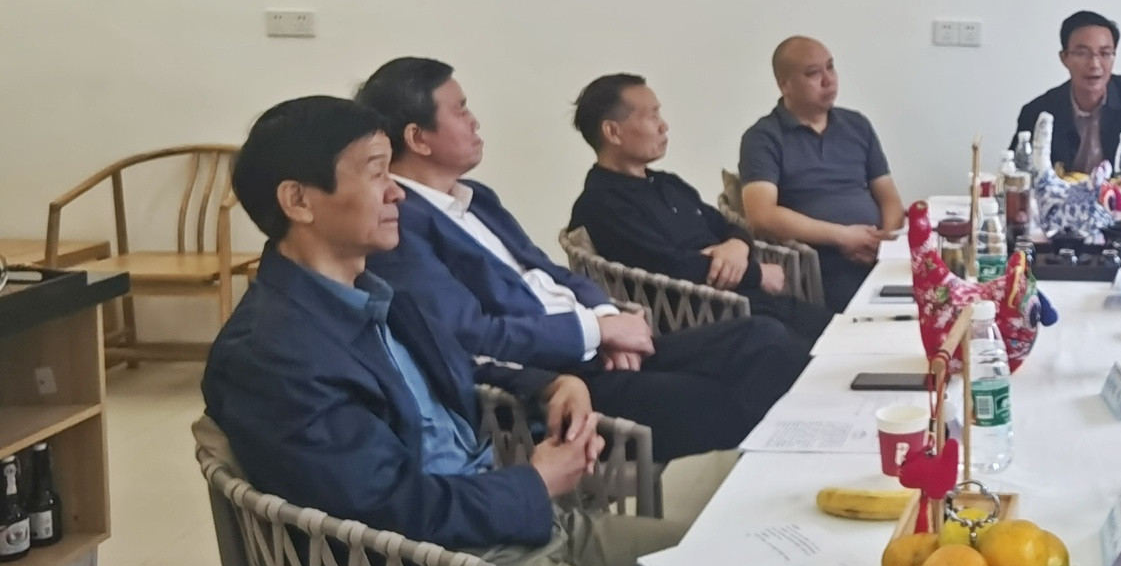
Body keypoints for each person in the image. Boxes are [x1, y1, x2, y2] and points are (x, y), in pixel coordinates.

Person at [204, 96, 686, 566]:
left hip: (507, 526)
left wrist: (551, 383)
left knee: (724, 563)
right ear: (299, 200)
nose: (397, 193)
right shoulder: (271, 354)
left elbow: (457, 363)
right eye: (376, 172)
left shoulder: (373, 296)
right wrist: (534, 482)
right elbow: (384, 507)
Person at [356, 57, 812, 464]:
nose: (475, 121)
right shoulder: (401, 227)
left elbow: (551, 272)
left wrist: (607, 318)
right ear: (418, 138)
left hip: (600, 347)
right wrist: (595, 331)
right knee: (719, 401)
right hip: (555, 382)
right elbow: (469, 333)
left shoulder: (477, 199)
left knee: (762, 338)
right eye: (460, 110)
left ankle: (821, 453)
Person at [567, 73, 832, 341]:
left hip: (747, 301)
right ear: (613, 132)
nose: (664, 126)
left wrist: (735, 246)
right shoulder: (601, 204)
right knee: (808, 341)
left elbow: (727, 226)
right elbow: (669, 267)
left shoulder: (668, 184)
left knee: (836, 328)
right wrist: (757, 273)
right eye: (652, 116)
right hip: (702, 320)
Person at [738, 37, 905, 311]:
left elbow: (889, 196)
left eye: (830, 67)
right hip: (821, 261)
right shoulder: (763, 138)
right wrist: (843, 237)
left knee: (938, 291)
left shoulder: (856, 124)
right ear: (784, 84)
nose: (828, 80)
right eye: (813, 73)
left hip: (879, 252)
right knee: (870, 310)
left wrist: (883, 244)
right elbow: (762, 215)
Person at [1014, 11, 1121, 175]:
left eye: (1105, 53)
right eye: (1082, 53)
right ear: (1064, 58)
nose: (1095, 64)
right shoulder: (1037, 112)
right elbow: (1015, 176)